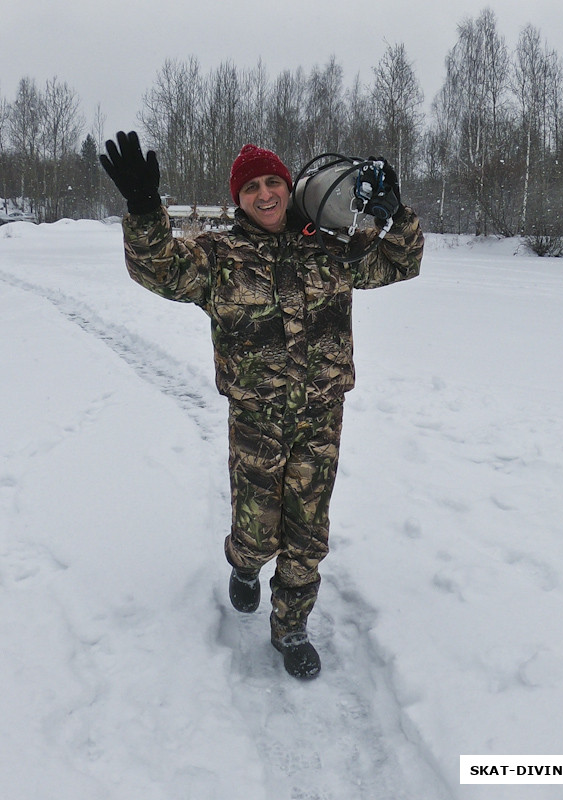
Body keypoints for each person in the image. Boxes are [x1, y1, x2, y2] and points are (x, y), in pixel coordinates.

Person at [100, 132, 424, 679]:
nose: (266, 193)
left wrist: (397, 211)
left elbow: (399, 262)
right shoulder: (219, 258)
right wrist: (143, 208)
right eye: (252, 187)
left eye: (274, 181)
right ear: (239, 199)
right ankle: (245, 566)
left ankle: (291, 626)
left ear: (290, 184)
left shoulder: (332, 245)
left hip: (322, 417)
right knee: (257, 532)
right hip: (256, 421)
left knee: (308, 534)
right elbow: (158, 268)